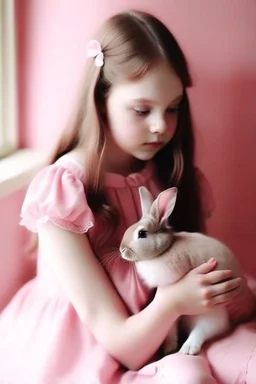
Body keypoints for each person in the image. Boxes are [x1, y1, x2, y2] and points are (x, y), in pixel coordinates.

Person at [0, 10, 255, 384]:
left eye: (172, 109)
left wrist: (231, 296)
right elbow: (123, 342)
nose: (161, 126)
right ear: (101, 100)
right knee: (188, 378)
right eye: (142, 110)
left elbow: (197, 282)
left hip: (170, 329)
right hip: (93, 351)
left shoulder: (163, 176)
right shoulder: (64, 191)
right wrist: (175, 302)